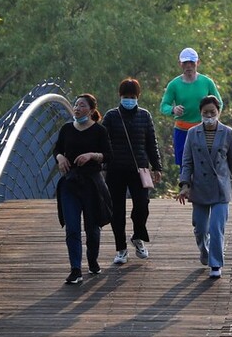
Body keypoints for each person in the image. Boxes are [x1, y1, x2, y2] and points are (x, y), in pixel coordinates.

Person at [176, 95, 232, 278]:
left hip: (220, 187)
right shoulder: (193, 133)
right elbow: (187, 161)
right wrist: (185, 185)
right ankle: (205, 251)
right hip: (199, 186)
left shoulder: (227, 132)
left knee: (216, 227)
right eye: (205, 113)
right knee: (200, 229)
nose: (209, 116)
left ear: (218, 112)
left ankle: (216, 264)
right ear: (200, 113)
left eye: (212, 112)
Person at [101, 78, 163, 263]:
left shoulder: (145, 116)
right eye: (126, 96)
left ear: (138, 96)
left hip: (140, 169)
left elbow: (151, 143)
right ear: (120, 96)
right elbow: (103, 141)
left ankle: (138, 236)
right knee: (117, 210)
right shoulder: (111, 116)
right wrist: (102, 164)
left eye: (132, 96)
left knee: (142, 205)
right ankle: (121, 249)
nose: (129, 99)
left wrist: (157, 166)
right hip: (115, 170)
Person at [53, 93, 112, 284]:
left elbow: (108, 155)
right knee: (72, 227)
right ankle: (75, 269)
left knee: (92, 227)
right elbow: (57, 149)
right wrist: (60, 158)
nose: (77, 108)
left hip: (91, 183)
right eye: (76, 105)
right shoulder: (67, 129)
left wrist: (92, 155)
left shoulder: (99, 131)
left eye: (82, 106)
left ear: (92, 110)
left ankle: (92, 260)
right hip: (70, 184)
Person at [160, 47, 222, 171]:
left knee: (206, 163)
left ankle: (206, 189)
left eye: (191, 63)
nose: (189, 66)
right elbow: (163, 106)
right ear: (180, 64)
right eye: (185, 63)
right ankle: (185, 187)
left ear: (198, 63)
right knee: (185, 164)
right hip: (182, 130)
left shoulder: (207, 82)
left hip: (204, 129)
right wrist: (173, 110)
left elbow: (219, 103)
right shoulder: (174, 84)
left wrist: (213, 120)